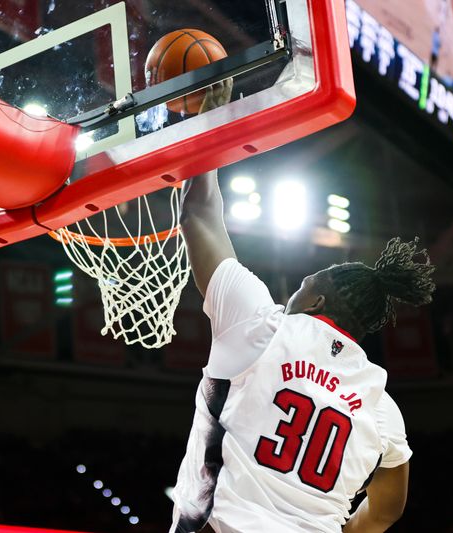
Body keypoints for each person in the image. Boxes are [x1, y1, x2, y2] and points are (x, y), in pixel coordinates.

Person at [169, 82, 436, 533]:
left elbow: (198, 213)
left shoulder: (263, 326)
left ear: (315, 299)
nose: (290, 295)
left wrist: (212, 119)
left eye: (301, 286)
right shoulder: (381, 406)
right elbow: (388, 509)